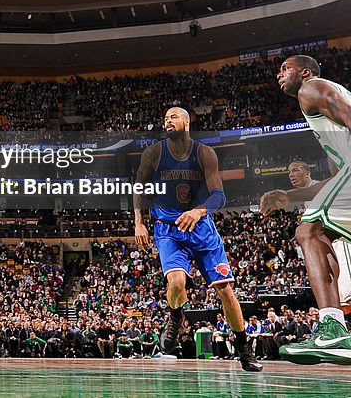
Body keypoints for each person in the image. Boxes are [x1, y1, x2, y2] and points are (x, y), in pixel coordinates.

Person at [133, 106, 262, 371]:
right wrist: (139, 222)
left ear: (187, 122)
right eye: (165, 117)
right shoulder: (154, 153)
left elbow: (218, 195)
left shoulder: (204, 153)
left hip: (201, 227)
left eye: (174, 116)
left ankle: (244, 350)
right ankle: (175, 316)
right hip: (168, 229)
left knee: (225, 290)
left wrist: (199, 210)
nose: (168, 120)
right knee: (177, 283)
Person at [260, 55, 351, 363]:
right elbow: (338, 180)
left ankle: (332, 329)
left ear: (305, 72)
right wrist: (288, 195)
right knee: (317, 230)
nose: (278, 74)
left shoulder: (311, 89)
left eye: (286, 68)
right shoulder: (330, 123)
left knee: (309, 229)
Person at [286, 160, 351, 313]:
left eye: (296, 170)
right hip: (332, 241)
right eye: (289, 172)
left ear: (308, 172)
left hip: (341, 242)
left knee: (346, 298)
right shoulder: (307, 197)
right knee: (340, 299)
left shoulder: (317, 189)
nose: (291, 175)